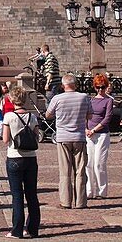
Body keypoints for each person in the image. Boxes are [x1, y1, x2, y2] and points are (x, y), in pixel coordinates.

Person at [45, 73, 92, 209]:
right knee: (80, 170)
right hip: (79, 137)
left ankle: (65, 201)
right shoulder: (84, 97)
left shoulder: (57, 98)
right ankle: (81, 202)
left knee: (65, 171)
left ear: (63, 85)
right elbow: (89, 115)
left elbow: (48, 115)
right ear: (75, 84)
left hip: (63, 138)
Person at [3, 85, 41, 239]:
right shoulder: (32, 117)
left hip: (14, 156)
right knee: (32, 194)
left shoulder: (9, 117)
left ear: (12, 100)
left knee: (17, 195)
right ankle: (33, 229)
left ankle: (17, 230)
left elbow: (5, 139)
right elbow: (37, 137)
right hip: (31, 157)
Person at [86, 73, 114, 199]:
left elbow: (107, 118)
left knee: (99, 163)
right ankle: (89, 190)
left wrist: (94, 129)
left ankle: (102, 191)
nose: (100, 90)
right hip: (89, 134)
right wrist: (86, 129)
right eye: (98, 87)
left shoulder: (109, 100)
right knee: (89, 163)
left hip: (101, 134)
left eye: (102, 87)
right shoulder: (90, 100)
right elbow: (85, 115)